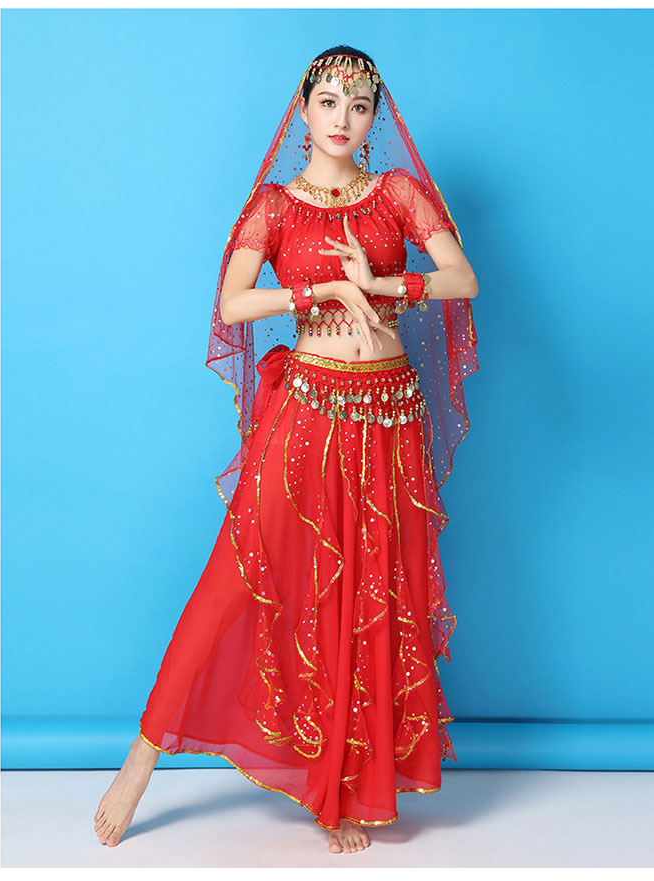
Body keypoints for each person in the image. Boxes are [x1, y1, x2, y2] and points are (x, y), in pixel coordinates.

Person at [94, 44, 479, 856]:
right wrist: (321, 289)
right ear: (303, 109)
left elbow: (461, 278)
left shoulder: (397, 193)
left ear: (375, 119)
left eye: (360, 105)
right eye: (329, 102)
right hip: (307, 413)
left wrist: (379, 285)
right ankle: (141, 756)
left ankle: (343, 788)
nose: (343, 119)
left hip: (388, 415)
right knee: (237, 575)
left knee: (371, 591)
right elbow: (233, 302)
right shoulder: (274, 206)